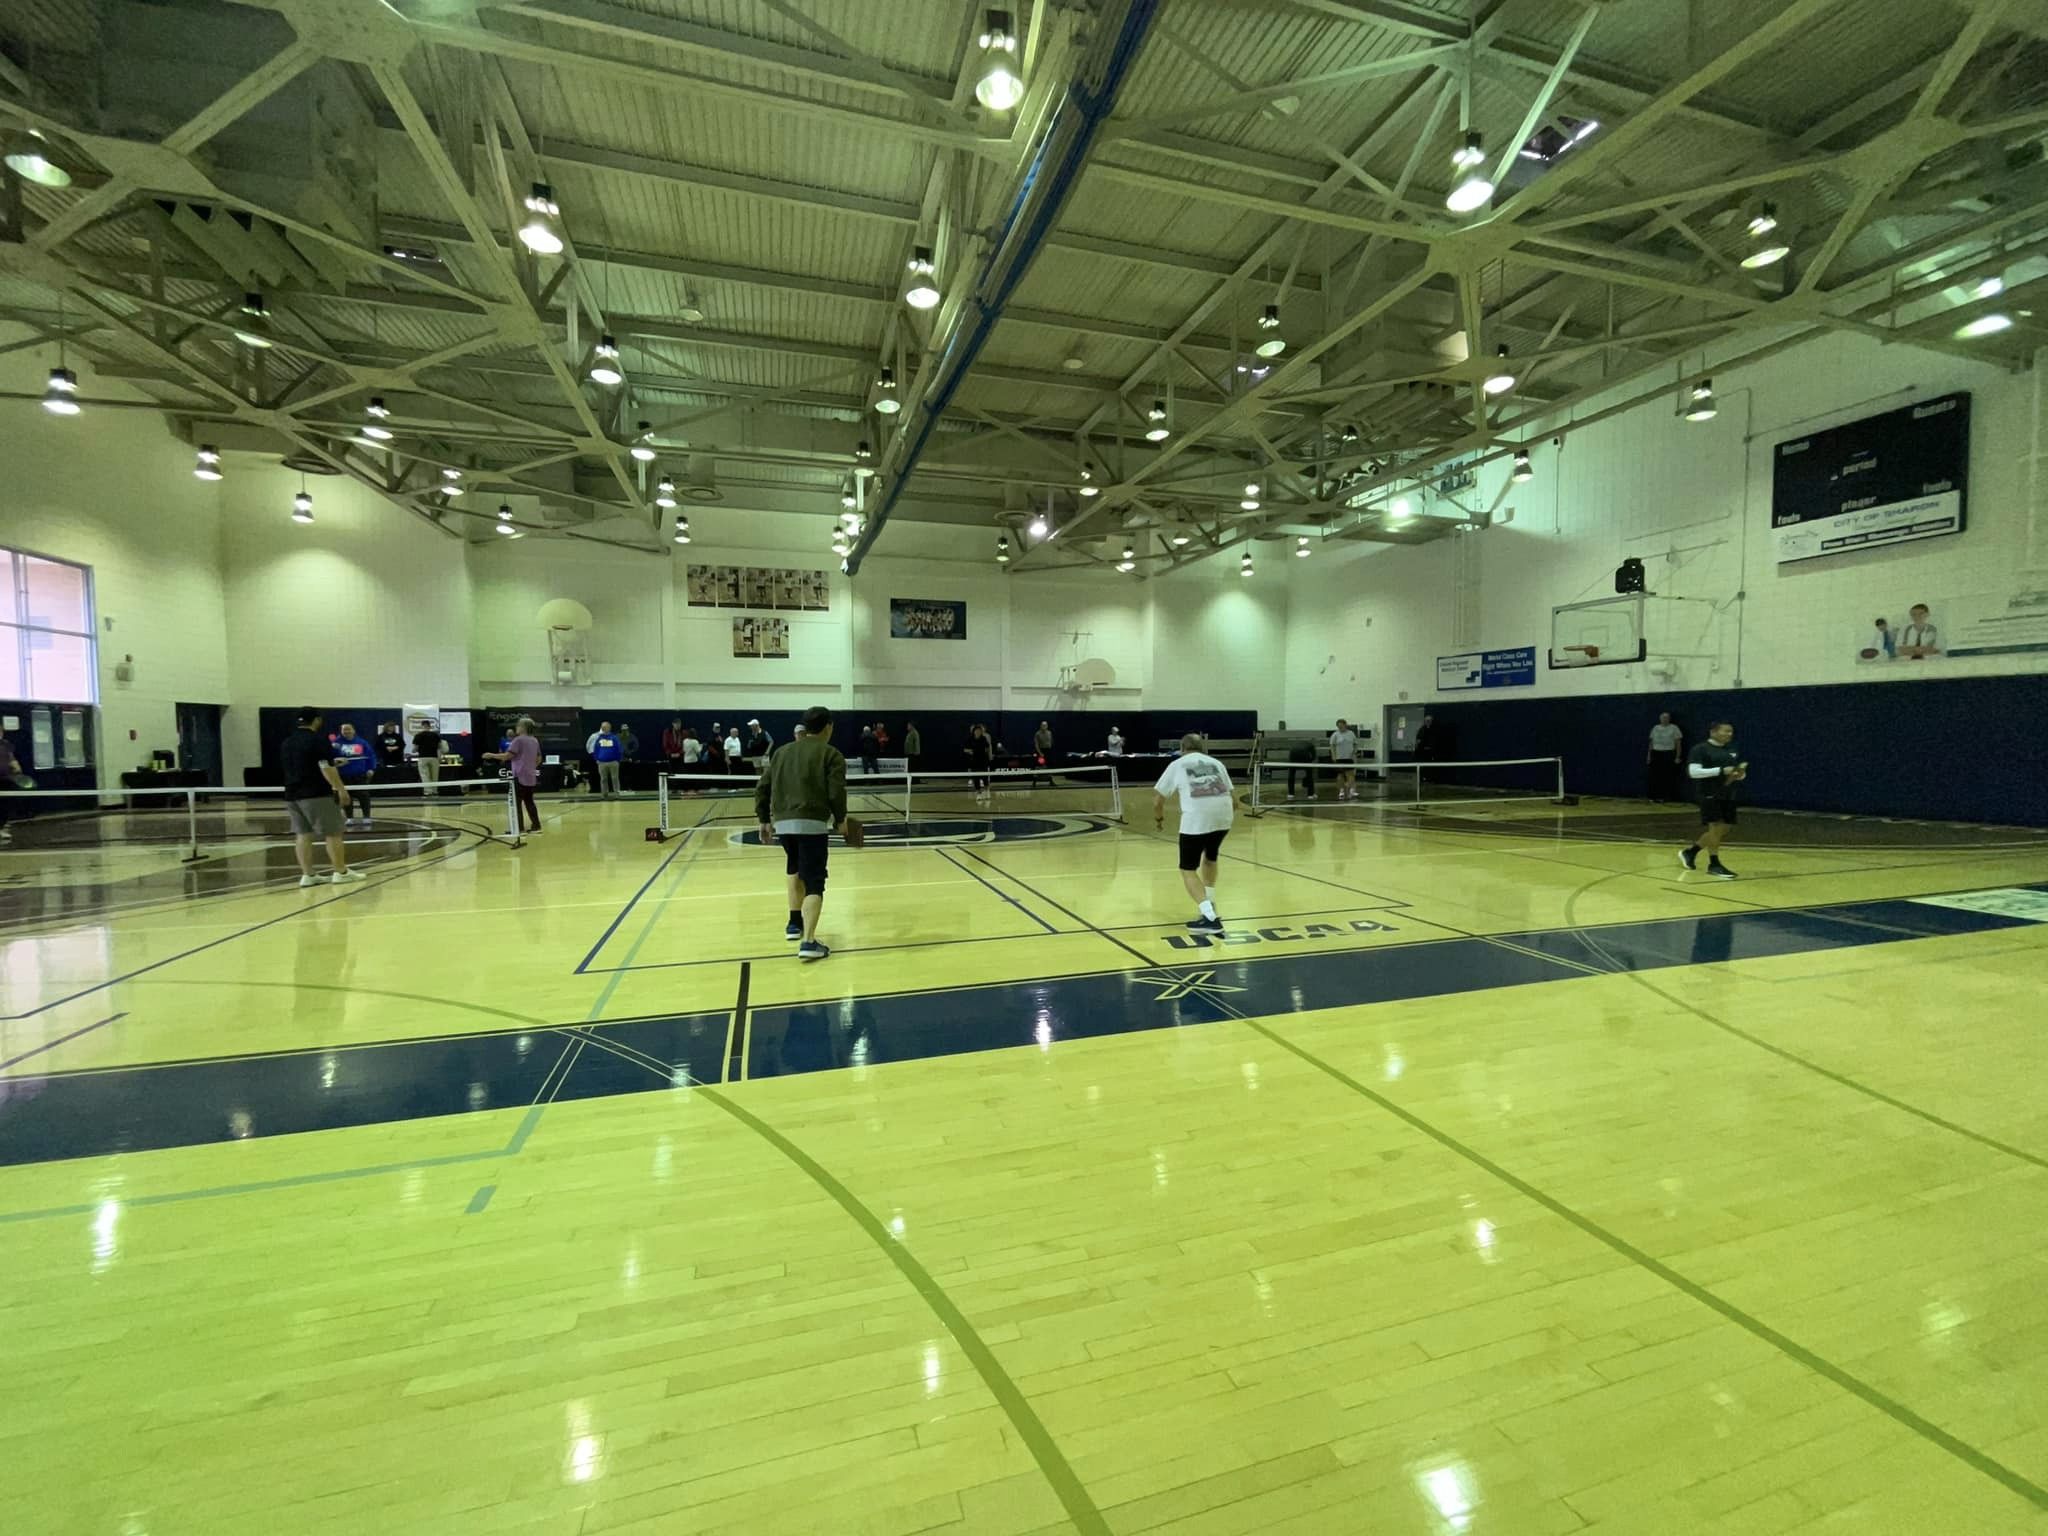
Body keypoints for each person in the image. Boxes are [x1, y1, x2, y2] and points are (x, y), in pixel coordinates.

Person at [755, 705, 851, 962]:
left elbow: (763, 787)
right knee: (815, 881)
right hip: (812, 825)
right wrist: (841, 820)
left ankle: (794, 924)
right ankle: (809, 942)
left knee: (794, 868)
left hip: (784, 825)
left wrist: (764, 818)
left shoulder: (781, 752)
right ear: (828, 727)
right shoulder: (831, 754)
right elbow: (836, 792)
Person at [1152, 731, 1237, 933]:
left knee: (1187, 869)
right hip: (1224, 818)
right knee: (1210, 858)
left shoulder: (1177, 764)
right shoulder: (1216, 763)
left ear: (1182, 748)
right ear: (1202, 748)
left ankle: (1210, 918)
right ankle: (1210, 902)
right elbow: (1234, 800)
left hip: (1197, 820)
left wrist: (1159, 819)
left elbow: (1157, 800)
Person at [282, 709, 364, 887]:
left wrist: (334, 761)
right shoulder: (317, 740)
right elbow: (325, 766)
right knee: (333, 832)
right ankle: (341, 872)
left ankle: (308, 875)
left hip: (292, 794)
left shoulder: (288, 742)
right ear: (317, 720)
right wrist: (340, 789)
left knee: (303, 834)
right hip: (316, 793)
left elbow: (305, 763)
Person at [1681, 721, 1746, 880]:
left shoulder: (1731, 750)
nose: (1729, 734)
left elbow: (1732, 771)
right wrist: (1720, 771)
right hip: (1709, 794)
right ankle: (1714, 864)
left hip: (1727, 794)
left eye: (1731, 732)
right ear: (1713, 732)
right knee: (1715, 828)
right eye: (1726, 731)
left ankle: (1691, 852)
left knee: (1725, 829)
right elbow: (1693, 772)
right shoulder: (1700, 749)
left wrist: (1739, 775)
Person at [484, 716, 543, 841]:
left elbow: (508, 756)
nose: (516, 727)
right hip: (530, 775)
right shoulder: (534, 740)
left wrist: (492, 755)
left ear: (523, 727)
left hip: (519, 775)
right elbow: (538, 758)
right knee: (529, 801)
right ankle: (536, 826)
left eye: (518, 725)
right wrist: (530, 766)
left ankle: (519, 828)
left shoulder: (518, 740)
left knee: (516, 803)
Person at [330, 721, 374, 828]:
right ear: (341, 731)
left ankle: (366, 817)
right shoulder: (336, 744)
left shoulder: (362, 742)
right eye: (344, 729)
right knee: (346, 797)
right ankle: (350, 818)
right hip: (343, 775)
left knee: (364, 796)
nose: (347, 731)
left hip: (359, 775)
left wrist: (371, 768)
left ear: (353, 730)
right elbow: (329, 758)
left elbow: (371, 755)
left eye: (349, 729)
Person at [1647, 711, 1684, 802]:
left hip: (1668, 753)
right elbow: (1651, 743)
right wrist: (1649, 756)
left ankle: (1664, 797)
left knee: (1666, 776)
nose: (1664, 719)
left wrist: (1677, 756)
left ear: (1669, 719)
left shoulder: (1674, 728)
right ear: (1660, 719)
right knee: (1654, 776)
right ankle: (1653, 796)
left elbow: (1678, 744)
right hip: (1656, 753)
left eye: (1666, 717)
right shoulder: (1655, 728)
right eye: (1663, 717)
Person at [1282, 720, 1316, 801]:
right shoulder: (1311, 745)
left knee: (1291, 775)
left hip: (1293, 756)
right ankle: (1310, 794)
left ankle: (1291, 794)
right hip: (1303, 755)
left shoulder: (1295, 745)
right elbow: (1313, 756)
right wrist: (1309, 766)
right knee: (1310, 776)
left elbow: (1290, 755)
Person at [590, 720, 623, 798]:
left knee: (615, 778)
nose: (604, 728)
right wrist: (596, 759)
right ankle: (604, 794)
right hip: (602, 762)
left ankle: (616, 793)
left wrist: (617, 760)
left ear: (609, 728)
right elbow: (596, 749)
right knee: (603, 779)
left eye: (606, 727)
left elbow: (619, 749)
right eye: (603, 727)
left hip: (613, 762)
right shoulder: (599, 738)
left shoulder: (614, 738)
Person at [412, 720, 444, 797]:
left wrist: (414, 750)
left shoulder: (418, 735)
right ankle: (435, 791)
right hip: (434, 757)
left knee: (425, 775)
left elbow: (415, 749)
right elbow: (440, 747)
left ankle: (428, 791)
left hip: (423, 757)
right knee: (435, 775)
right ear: (430, 726)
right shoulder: (436, 735)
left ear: (422, 726)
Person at [1329, 718, 1358, 801]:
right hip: (1339, 758)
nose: (1340, 728)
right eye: (1339, 726)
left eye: (1342, 726)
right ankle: (1341, 791)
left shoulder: (1351, 734)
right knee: (1340, 775)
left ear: (1345, 725)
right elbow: (1332, 746)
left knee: (1351, 774)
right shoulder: (1335, 735)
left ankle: (1352, 790)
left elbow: (1355, 744)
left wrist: (1354, 753)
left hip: (1349, 758)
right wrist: (1334, 756)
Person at [966, 723, 993, 801]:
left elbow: (988, 747)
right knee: (976, 779)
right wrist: (971, 751)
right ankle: (978, 794)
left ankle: (987, 791)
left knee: (985, 778)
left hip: (983, 761)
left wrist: (986, 754)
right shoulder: (970, 739)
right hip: (974, 762)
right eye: (976, 731)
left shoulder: (984, 738)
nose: (977, 732)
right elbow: (965, 749)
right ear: (973, 731)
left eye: (979, 731)